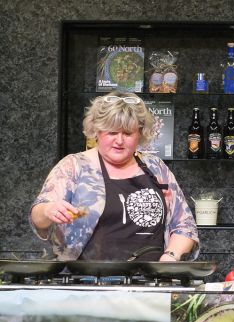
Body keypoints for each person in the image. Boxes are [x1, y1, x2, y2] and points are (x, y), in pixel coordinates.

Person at [30, 91, 199, 262]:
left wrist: (170, 256)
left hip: (151, 281)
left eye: (127, 133)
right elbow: (38, 217)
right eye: (111, 133)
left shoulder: (156, 167)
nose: (119, 140)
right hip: (86, 281)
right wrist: (48, 210)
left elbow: (184, 225)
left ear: (140, 134)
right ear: (97, 132)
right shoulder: (74, 166)